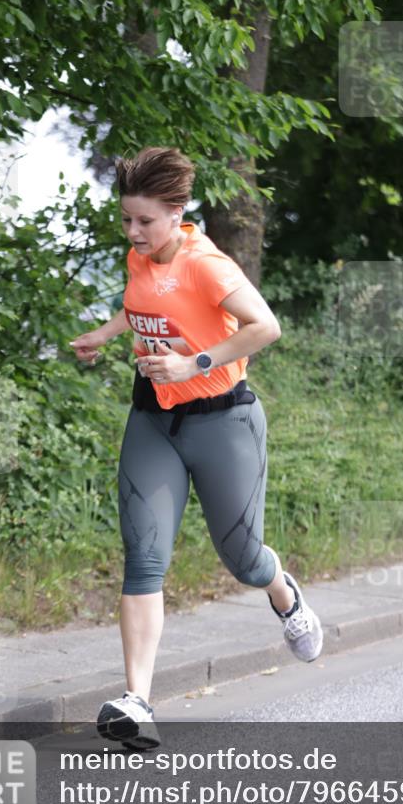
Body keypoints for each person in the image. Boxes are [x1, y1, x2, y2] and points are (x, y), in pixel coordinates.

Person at [69, 146, 322, 749]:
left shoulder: (209, 265)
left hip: (223, 422)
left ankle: (283, 594)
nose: (132, 232)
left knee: (242, 560)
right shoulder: (140, 256)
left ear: (177, 213)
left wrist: (194, 362)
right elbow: (145, 309)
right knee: (144, 555)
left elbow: (265, 327)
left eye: (144, 221)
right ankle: (137, 702)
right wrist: (106, 333)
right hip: (153, 420)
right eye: (126, 219)